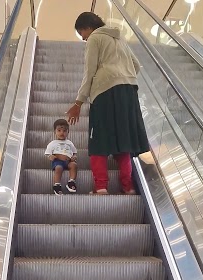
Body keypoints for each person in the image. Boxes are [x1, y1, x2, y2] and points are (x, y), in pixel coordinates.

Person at [66, 12, 149, 195]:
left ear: (87, 27)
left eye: (82, 34)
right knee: (124, 141)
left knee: (99, 141)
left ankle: (101, 187)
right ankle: (128, 188)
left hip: (105, 94)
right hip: (128, 93)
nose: (84, 39)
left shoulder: (95, 39)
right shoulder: (119, 39)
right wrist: (122, 77)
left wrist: (78, 102)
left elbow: (90, 71)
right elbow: (136, 65)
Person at [44, 118, 78, 195]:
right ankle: (57, 185)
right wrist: (50, 156)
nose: (62, 133)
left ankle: (71, 181)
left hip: (68, 161)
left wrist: (74, 157)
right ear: (55, 132)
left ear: (68, 132)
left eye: (64, 131)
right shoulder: (52, 143)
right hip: (58, 161)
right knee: (58, 168)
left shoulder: (69, 143)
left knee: (74, 165)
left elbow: (74, 152)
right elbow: (47, 153)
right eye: (59, 130)